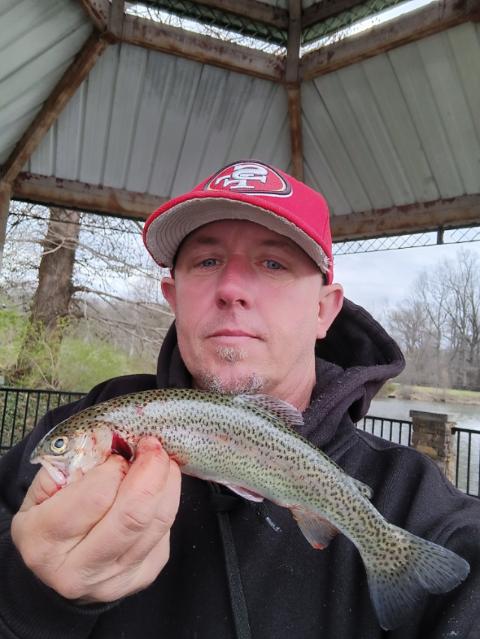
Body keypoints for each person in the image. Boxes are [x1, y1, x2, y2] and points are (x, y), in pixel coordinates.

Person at [0, 160, 478, 639]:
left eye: (273, 264)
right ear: (173, 296)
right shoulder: (72, 430)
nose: (231, 289)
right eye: (207, 262)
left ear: (323, 310)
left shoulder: (419, 500)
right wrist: (27, 595)